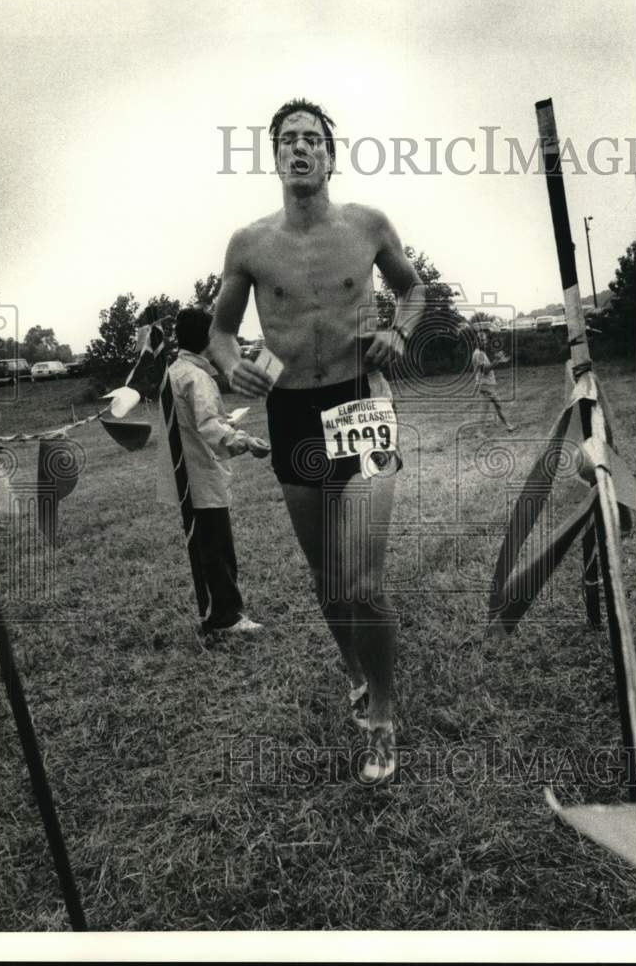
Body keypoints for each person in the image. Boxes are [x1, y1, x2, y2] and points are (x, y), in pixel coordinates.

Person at [209, 98, 425, 783]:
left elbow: (413, 290)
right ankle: (356, 671)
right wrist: (227, 360)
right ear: (274, 157)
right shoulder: (249, 243)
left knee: (361, 580)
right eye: (288, 141)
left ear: (331, 156)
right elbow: (219, 331)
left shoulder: (367, 226)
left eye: (313, 140)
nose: (301, 149)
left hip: (360, 402)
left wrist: (399, 328)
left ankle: (385, 714)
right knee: (328, 582)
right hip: (293, 416)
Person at [157, 307, 270, 634]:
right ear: (209, 339)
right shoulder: (197, 377)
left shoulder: (176, 371)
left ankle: (215, 613)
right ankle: (228, 618)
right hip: (202, 474)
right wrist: (244, 440)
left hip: (189, 475)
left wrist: (229, 426)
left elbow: (195, 421)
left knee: (208, 549)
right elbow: (208, 426)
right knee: (218, 551)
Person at [471, 329, 516, 432]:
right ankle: (479, 432)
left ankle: (508, 425)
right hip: (486, 385)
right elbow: (485, 370)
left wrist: (498, 360)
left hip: (486, 384)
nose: (485, 342)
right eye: (482, 340)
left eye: (485, 340)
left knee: (497, 406)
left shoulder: (480, 353)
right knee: (487, 409)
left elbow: (486, 367)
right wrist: (497, 360)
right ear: (477, 342)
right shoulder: (479, 354)